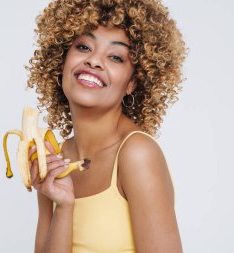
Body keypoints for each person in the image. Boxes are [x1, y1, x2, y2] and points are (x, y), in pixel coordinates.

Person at [26, 0, 186, 252]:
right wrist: (64, 206)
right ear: (61, 61)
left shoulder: (136, 154)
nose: (94, 61)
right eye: (83, 46)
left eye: (115, 57)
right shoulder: (55, 159)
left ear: (132, 82)